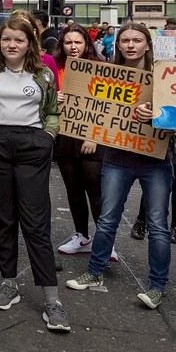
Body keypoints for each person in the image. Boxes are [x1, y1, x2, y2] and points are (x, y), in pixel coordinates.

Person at [0, 14, 69, 333]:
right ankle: (9, 283)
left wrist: (47, 137)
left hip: (32, 145)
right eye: (7, 39)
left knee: (36, 223)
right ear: (0, 42)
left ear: (29, 44)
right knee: (3, 218)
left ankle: (52, 301)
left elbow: (52, 111)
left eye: (19, 40)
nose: (12, 44)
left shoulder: (43, 75)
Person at [66, 22, 172, 309]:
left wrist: (157, 113)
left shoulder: (164, 76)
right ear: (118, 44)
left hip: (155, 159)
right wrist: (69, 100)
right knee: (107, 217)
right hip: (117, 157)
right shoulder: (106, 75)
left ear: (147, 44)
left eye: (137, 40)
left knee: (158, 225)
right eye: (125, 40)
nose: (131, 45)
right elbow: (90, 109)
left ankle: (157, 286)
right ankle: (95, 272)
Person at [52, 24, 110, 259]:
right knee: (73, 190)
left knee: (95, 191)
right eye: (68, 43)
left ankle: (106, 240)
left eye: (77, 42)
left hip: (91, 140)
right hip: (64, 138)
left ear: (87, 44)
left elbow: (107, 106)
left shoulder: (100, 68)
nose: (73, 47)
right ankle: (81, 236)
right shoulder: (55, 68)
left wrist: (93, 135)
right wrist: (53, 98)